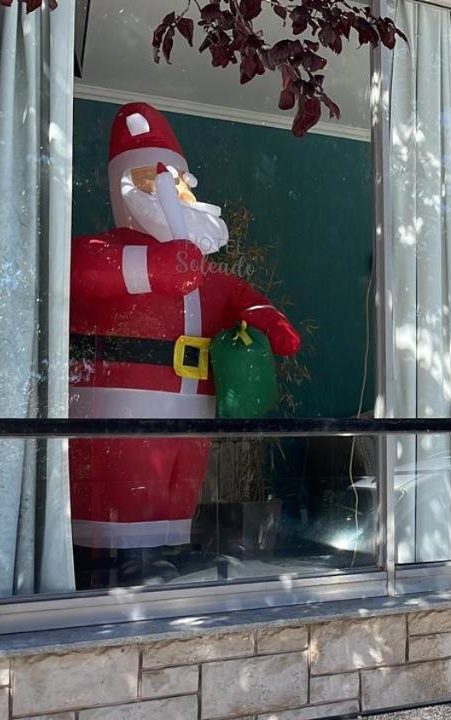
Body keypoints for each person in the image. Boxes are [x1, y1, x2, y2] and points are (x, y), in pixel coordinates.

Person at [68, 102, 300, 588]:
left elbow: (238, 296)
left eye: (179, 182)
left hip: (195, 398)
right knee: (131, 473)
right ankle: (122, 555)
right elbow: (80, 272)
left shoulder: (205, 271)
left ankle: (169, 545)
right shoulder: (103, 250)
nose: (174, 190)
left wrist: (269, 320)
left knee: (181, 476)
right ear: (125, 187)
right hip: (126, 395)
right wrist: (154, 268)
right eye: (156, 180)